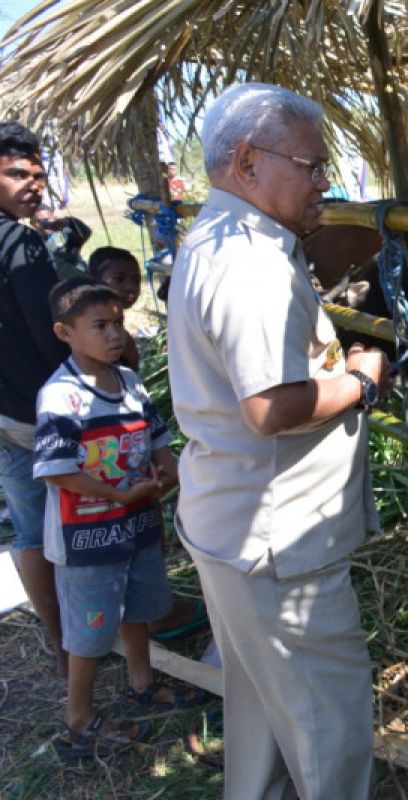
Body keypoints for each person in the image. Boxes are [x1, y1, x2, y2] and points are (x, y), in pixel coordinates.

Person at [168, 82, 389, 799]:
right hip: (278, 543)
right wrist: (361, 381)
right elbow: (267, 406)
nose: (325, 181)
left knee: (262, 704)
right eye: (311, 164)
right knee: (330, 723)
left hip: (231, 524)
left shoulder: (216, 237)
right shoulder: (251, 262)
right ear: (246, 160)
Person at [34, 277, 207, 758]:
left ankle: (142, 682)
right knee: (90, 632)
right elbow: (58, 473)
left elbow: (159, 446)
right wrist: (120, 492)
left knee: (136, 610)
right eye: (100, 326)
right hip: (86, 541)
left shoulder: (129, 383)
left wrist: (170, 477)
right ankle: (78, 719)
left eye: (119, 323)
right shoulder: (61, 397)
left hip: (136, 527)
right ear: (64, 332)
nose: (116, 335)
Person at [87, 246, 211, 642]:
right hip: (116, 461)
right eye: (117, 280)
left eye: (133, 280)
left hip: (135, 451)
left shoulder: (120, 337)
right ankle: (147, 613)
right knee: (130, 536)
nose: (128, 288)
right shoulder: (103, 347)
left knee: (146, 530)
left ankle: (149, 608)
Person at [0, 120, 69, 677]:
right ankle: (106, 626)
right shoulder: (21, 243)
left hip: (4, 412)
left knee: (28, 529)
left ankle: (62, 643)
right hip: (38, 411)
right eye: (18, 173)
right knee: (80, 523)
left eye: (39, 175)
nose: (33, 185)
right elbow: (49, 334)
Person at [33, 204, 91, 280]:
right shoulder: (31, 243)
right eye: (39, 222)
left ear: (54, 218)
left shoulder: (66, 234)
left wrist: (69, 221)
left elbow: (85, 232)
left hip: (79, 281)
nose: (44, 224)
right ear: (33, 223)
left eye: (46, 220)